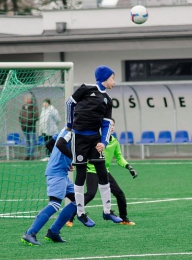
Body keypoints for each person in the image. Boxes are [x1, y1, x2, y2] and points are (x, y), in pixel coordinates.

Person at [65, 65, 122, 226]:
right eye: (112, 78)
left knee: (102, 173)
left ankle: (107, 211)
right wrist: (69, 125)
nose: (114, 82)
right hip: (80, 138)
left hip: (95, 140)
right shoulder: (86, 89)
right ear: (104, 78)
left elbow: (107, 123)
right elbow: (70, 103)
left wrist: (103, 142)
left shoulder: (108, 100)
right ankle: (81, 213)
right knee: (81, 175)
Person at [21, 127, 86, 246]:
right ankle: (30, 233)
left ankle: (53, 232)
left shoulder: (64, 129)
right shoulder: (71, 131)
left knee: (78, 202)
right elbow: (60, 145)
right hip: (57, 173)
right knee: (54, 204)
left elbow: (49, 144)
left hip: (61, 172)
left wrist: (65, 161)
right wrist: (71, 158)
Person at [66, 118, 138, 227]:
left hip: (105, 172)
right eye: (110, 125)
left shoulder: (114, 141)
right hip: (92, 171)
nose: (112, 127)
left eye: (113, 125)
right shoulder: (96, 140)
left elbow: (119, 158)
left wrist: (129, 166)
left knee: (119, 194)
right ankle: (70, 217)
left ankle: (124, 219)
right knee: (90, 194)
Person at [19, 93, 39, 160]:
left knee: (33, 141)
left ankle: (31, 155)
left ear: (29, 100)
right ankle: (27, 155)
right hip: (24, 128)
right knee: (27, 141)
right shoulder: (23, 107)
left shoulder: (34, 107)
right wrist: (22, 122)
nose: (25, 100)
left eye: (26, 98)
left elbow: (36, 117)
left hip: (31, 128)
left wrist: (29, 121)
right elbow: (20, 116)